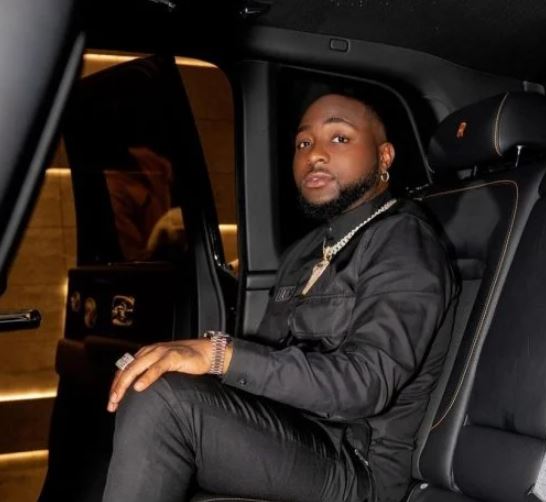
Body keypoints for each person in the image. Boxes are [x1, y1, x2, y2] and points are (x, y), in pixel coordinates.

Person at [102, 92, 455, 502]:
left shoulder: (405, 242)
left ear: (384, 156)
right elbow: (273, 356)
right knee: (152, 380)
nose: (314, 154)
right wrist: (193, 363)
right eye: (303, 143)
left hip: (356, 466)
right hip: (290, 432)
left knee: (163, 402)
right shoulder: (305, 252)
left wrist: (219, 355)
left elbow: (365, 383)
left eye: (339, 138)